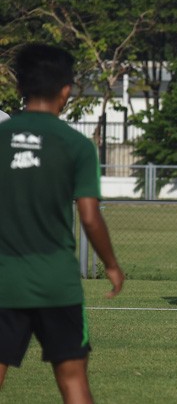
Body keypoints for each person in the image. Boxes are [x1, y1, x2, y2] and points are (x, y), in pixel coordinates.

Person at [0, 43, 124, 403]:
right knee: (73, 382)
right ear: (66, 90)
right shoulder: (76, 145)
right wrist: (112, 265)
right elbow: (89, 215)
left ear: (20, 86)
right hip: (57, 283)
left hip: (4, 280)